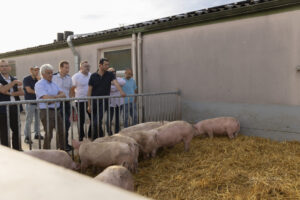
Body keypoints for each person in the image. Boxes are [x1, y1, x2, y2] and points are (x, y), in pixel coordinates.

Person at [87, 58, 126, 139]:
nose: (107, 66)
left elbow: (116, 83)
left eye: (108, 64)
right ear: (100, 65)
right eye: (106, 65)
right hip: (94, 102)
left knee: (96, 121)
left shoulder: (109, 74)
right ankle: (99, 137)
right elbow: (89, 91)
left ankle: (95, 139)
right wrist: (89, 105)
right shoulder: (93, 76)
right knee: (95, 122)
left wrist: (121, 92)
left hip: (104, 102)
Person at [35, 64, 67, 150]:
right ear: (43, 74)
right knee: (49, 133)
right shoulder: (39, 84)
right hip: (45, 111)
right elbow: (46, 99)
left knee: (62, 131)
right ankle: (46, 153)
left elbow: (64, 95)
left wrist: (54, 98)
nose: (51, 75)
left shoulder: (53, 84)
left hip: (56, 110)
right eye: (48, 73)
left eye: (51, 73)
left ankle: (62, 151)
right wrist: (57, 97)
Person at [0, 60, 24, 150]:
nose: (4, 67)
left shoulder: (14, 78)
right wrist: (13, 85)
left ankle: (17, 150)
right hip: (2, 109)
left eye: (6, 66)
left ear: (9, 67)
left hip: (14, 108)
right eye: (2, 66)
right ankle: (7, 153)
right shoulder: (14, 81)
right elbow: (2, 90)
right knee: (4, 132)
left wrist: (9, 92)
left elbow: (22, 92)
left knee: (17, 130)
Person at [52, 61, 72, 150]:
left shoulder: (69, 78)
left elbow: (71, 89)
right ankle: (60, 145)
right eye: (66, 67)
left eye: (68, 67)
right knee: (61, 125)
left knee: (67, 124)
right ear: (60, 68)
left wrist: (70, 99)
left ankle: (65, 144)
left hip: (66, 103)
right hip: (57, 103)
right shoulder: (53, 77)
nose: (67, 69)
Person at [70, 61, 91, 141]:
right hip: (80, 101)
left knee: (92, 118)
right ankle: (81, 137)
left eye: (88, 66)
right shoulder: (76, 76)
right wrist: (72, 99)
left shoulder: (91, 75)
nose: (87, 68)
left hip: (89, 101)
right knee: (81, 120)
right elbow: (72, 88)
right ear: (81, 68)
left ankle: (90, 134)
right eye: (85, 66)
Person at [23, 65, 43, 144]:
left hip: (38, 102)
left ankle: (37, 134)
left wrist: (39, 81)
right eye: (35, 70)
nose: (37, 72)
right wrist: (39, 92)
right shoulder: (26, 79)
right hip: (30, 102)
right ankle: (27, 136)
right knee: (29, 120)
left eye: (38, 70)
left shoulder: (39, 79)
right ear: (31, 70)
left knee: (37, 119)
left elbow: (43, 88)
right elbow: (29, 90)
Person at [107, 67, 126, 134]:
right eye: (111, 72)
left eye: (114, 71)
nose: (113, 73)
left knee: (117, 118)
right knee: (109, 118)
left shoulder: (119, 79)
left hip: (119, 102)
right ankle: (109, 133)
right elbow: (109, 89)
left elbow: (123, 82)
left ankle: (117, 132)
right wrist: (116, 85)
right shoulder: (106, 80)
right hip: (110, 103)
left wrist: (113, 82)